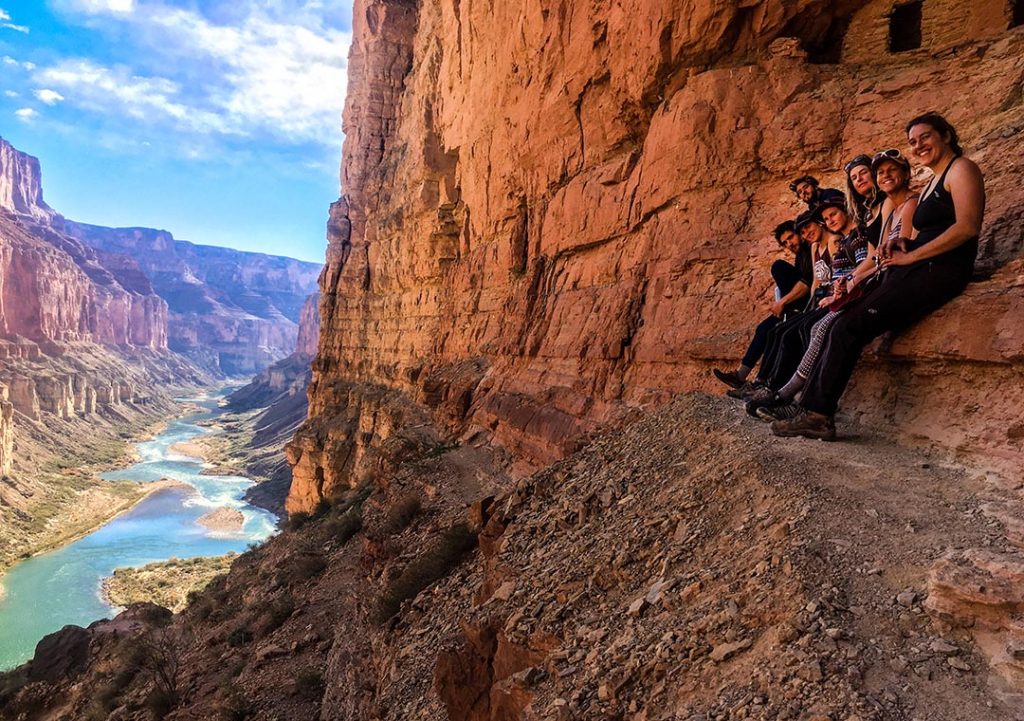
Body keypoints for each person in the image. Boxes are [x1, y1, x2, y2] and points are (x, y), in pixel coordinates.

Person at [772, 113, 984, 440]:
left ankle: (817, 414)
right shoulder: (933, 181)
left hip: (939, 270)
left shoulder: (961, 169)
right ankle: (806, 407)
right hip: (917, 265)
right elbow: (929, 230)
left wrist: (911, 254)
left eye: (925, 137)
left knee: (848, 325)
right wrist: (905, 243)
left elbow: (967, 227)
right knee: (841, 321)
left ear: (945, 135)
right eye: (913, 141)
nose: (919, 145)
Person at [756, 149, 919, 421]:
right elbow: (874, 254)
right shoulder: (874, 212)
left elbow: (891, 250)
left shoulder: (894, 206)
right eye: (855, 177)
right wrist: (848, 282)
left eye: (865, 174)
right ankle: (783, 392)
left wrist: (850, 282)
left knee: (824, 328)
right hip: (867, 281)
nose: (862, 180)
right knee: (803, 327)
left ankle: (794, 398)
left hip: (883, 282)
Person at [741, 196, 869, 411]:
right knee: (779, 330)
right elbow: (816, 282)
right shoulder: (812, 248)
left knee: (797, 332)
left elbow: (850, 272)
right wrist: (811, 305)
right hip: (823, 300)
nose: (805, 234)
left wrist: (834, 293)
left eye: (808, 227)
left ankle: (782, 394)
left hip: (839, 298)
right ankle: (765, 385)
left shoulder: (839, 241)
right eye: (801, 232)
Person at [712, 220, 813, 389]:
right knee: (765, 329)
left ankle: (764, 384)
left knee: (778, 266)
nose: (789, 244)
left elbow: (808, 282)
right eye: (785, 243)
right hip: (792, 306)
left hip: (805, 304)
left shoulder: (811, 250)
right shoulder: (800, 257)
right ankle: (742, 376)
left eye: (791, 238)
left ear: (799, 233)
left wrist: (782, 302)